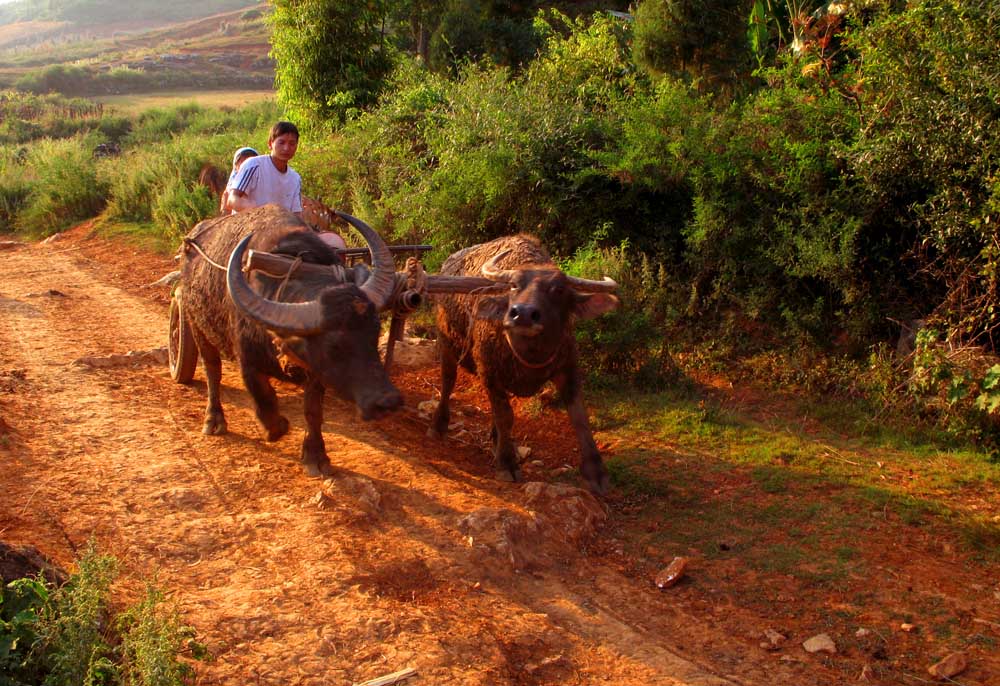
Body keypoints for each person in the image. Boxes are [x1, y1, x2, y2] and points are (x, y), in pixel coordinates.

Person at [228, 121, 304, 215]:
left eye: (292, 143)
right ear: (270, 144)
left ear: (296, 146)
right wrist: (258, 212)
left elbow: (296, 214)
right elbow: (232, 199)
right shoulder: (254, 165)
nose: (286, 148)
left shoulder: (295, 179)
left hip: (280, 227)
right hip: (247, 225)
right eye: (281, 142)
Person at [219, 146, 258, 214]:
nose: (247, 166)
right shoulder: (232, 186)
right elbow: (226, 209)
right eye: (243, 164)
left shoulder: (262, 177)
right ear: (236, 166)